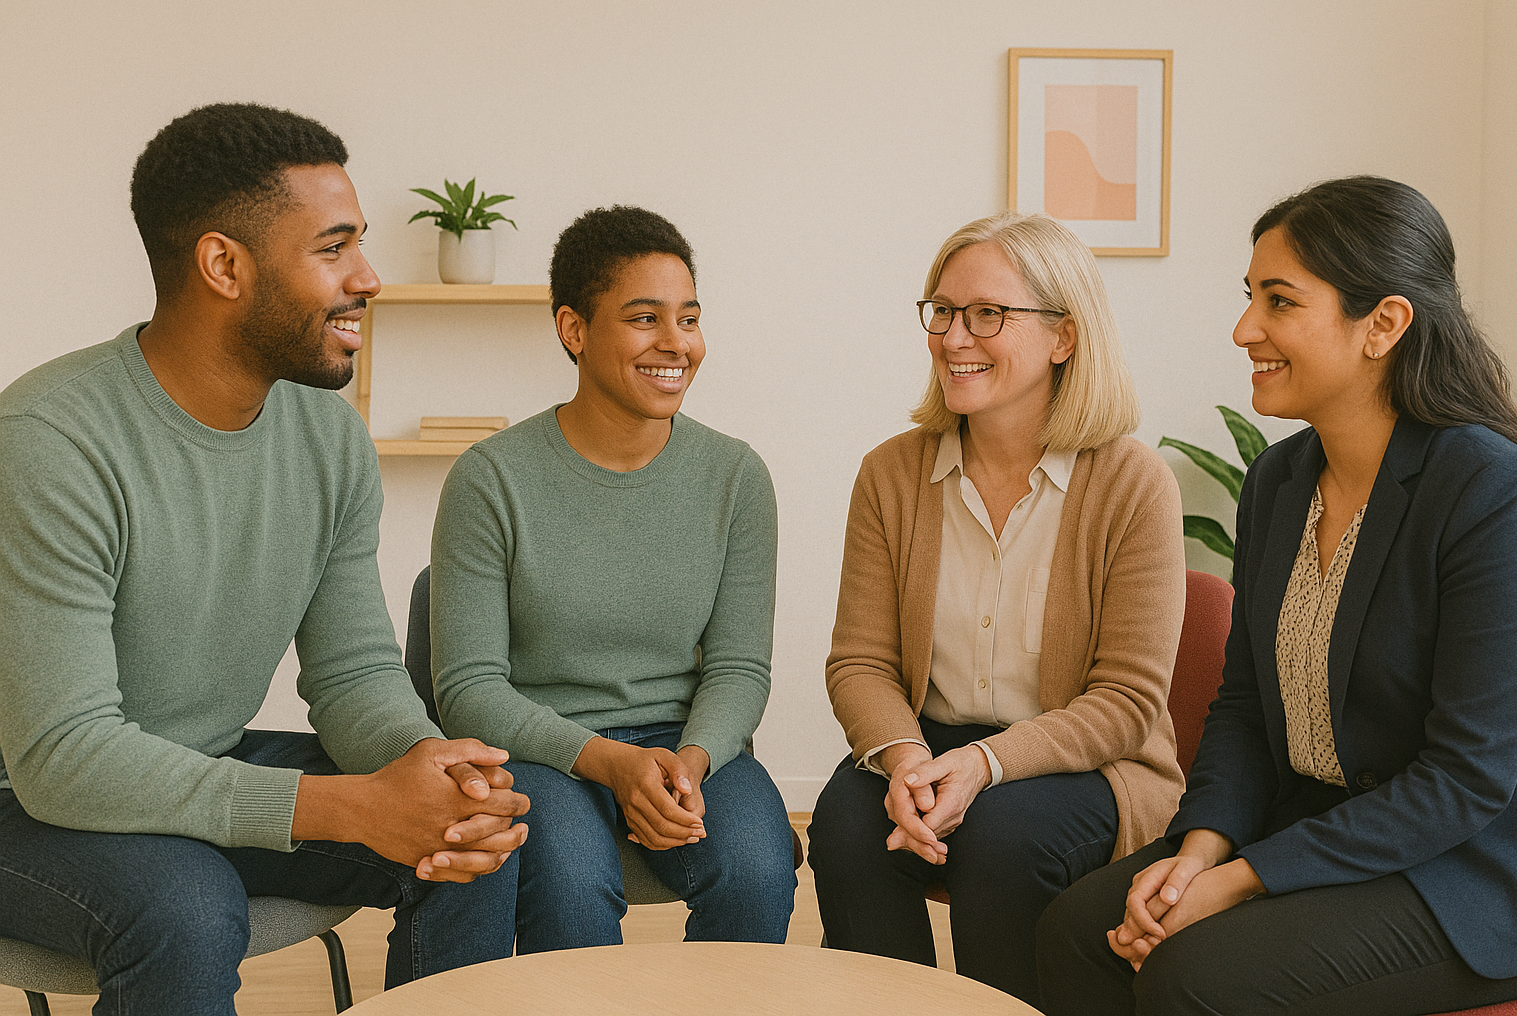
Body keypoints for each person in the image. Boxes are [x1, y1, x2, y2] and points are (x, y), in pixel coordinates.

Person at [0, 103, 531, 1016]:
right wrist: (355, 808)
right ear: (224, 266)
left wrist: (424, 767)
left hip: (189, 756)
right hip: (24, 796)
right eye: (334, 249)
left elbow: (357, 672)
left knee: (476, 825)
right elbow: (64, 756)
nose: (367, 277)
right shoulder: (51, 439)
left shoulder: (329, 438)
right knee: (187, 908)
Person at [1036, 176, 1517, 1016]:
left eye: (1280, 301)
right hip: (1310, 821)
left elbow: (1464, 779)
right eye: (1249, 296)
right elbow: (1241, 705)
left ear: (1383, 324)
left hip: (1470, 864)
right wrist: (1201, 852)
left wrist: (1242, 881)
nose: (1244, 329)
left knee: (1195, 975)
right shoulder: (1278, 479)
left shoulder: (1496, 494)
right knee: (1078, 929)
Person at [807, 212, 1186, 1005]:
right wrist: (907, 760)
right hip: (933, 735)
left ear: (1064, 336)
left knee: (1002, 840)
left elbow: (1125, 702)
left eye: (988, 315)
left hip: (1085, 760)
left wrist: (986, 764)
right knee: (846, 823)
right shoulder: (892, 473)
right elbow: (862, 661)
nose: (954, 337)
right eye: (942, 311)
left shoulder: (1131, 483)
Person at [430, 205, 797, 952]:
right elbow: (468, 690)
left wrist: (689, 761)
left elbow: (738, 667)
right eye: (644, 318)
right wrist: (610, 763)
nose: (676, 344)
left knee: (760, 869)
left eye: (688, 319)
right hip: (547, 746)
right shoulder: (491, 478)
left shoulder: (735, 477)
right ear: (573, 329)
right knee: (568, 887)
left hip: (684, 740)